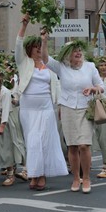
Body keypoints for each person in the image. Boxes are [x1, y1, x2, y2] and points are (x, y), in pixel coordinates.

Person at [45, 37, 103, 193]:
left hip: (85, 108)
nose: (77, 53)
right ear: (67, 54)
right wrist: (44, 39)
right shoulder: (61, 67)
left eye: (79, 50)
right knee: (72, 146)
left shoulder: (90, 67)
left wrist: (92, 88)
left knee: (84, 145)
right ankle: (76, 178)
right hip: (68, 108)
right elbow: (45, 58)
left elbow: (101, 87)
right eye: (74, 51)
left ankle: (87, 178)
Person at [16, 17, 67, 191]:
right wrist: (24, 25)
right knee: (32, 142)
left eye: (40, 48)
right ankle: (33, 174)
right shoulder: (23, 63)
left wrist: (60, 106)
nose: (38, 51)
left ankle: (42, 174)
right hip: (28, 109)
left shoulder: (49, 65)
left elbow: (58, 86)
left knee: (44, 141)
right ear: (29, 50)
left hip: (46, 108)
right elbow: (18, 44)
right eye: (35, 48)